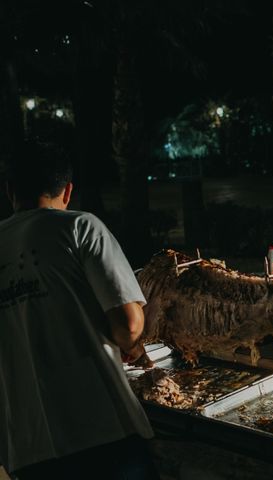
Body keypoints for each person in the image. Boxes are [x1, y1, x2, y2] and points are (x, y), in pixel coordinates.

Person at [0, 142, 158, 479]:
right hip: (102, 432)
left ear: (9, 189)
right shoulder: (80, 227)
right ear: (67, 191)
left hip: (26, 447)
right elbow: (129, 325)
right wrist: (131, 343)